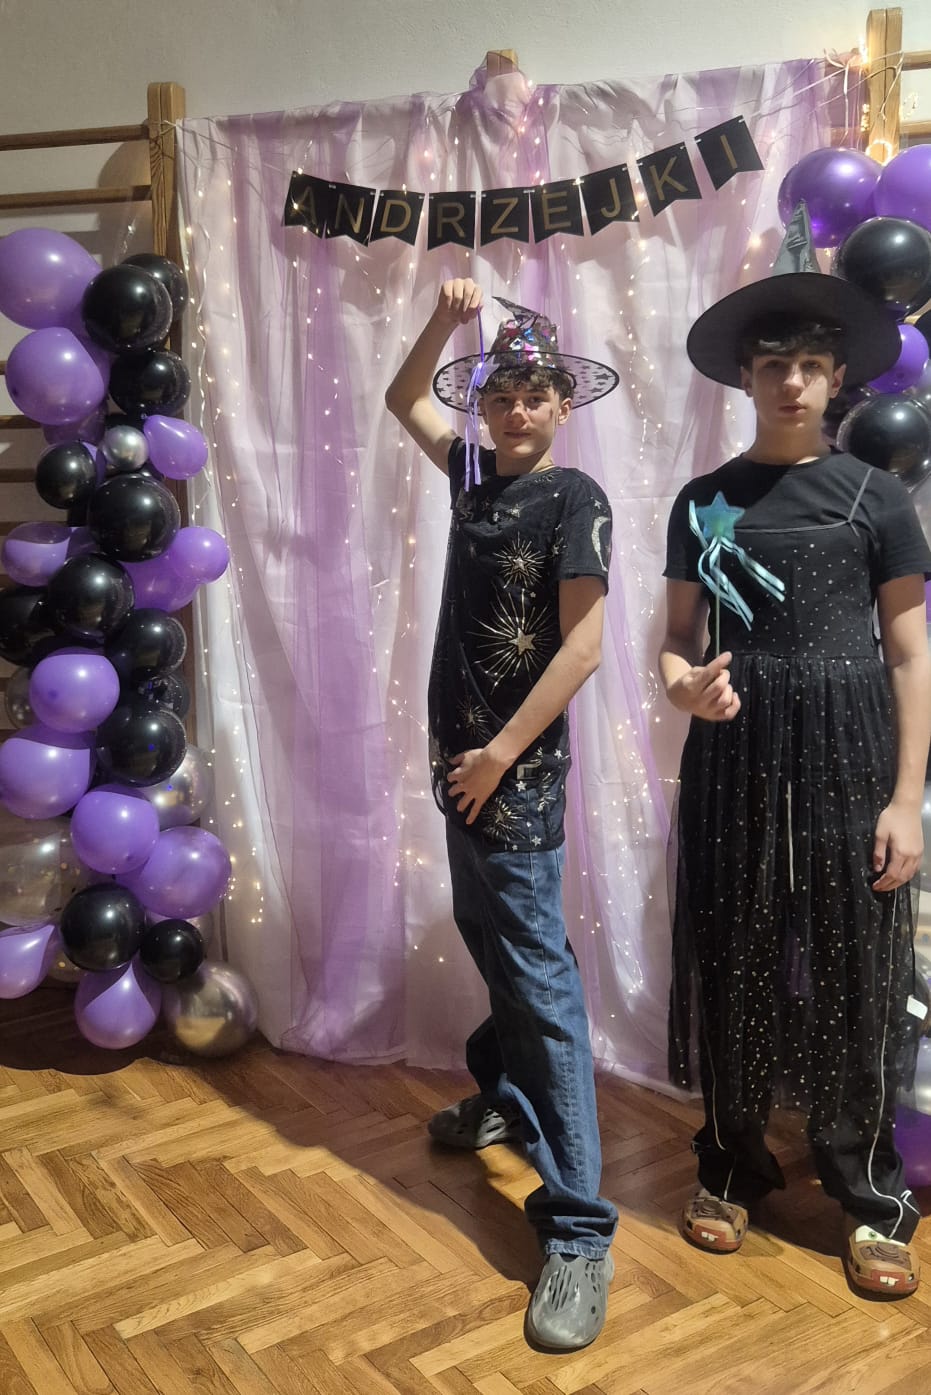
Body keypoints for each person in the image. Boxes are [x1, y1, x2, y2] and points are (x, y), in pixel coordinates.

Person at [659, 205, 931, 1297]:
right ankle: (732, 1162)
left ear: (836, 380)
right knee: (733, 950)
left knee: (854, 964)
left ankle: (867, 1192)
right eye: (773, 365)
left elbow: (908, 653)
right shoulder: (701, 502)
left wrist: (905, 799)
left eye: (811, 366)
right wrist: (682, 685)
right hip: (735, 756)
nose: (791, 383)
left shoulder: (875, 497)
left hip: (851, 750)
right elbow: (673, 642)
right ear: (744, 376)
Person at [386, 280, 619, 1349]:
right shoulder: (471, 477)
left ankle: (577, 1231)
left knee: (539, 981)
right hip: (459, 764)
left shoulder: (575, 498)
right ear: (483, 407)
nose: (518, 410)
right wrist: (445, 323)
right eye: (501, 395)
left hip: (510, 773)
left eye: (535, 394)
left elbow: (583, 646)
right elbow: (404, 398)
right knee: (486, 938)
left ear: (563, 404)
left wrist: (498, 756)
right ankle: (506, 1097)